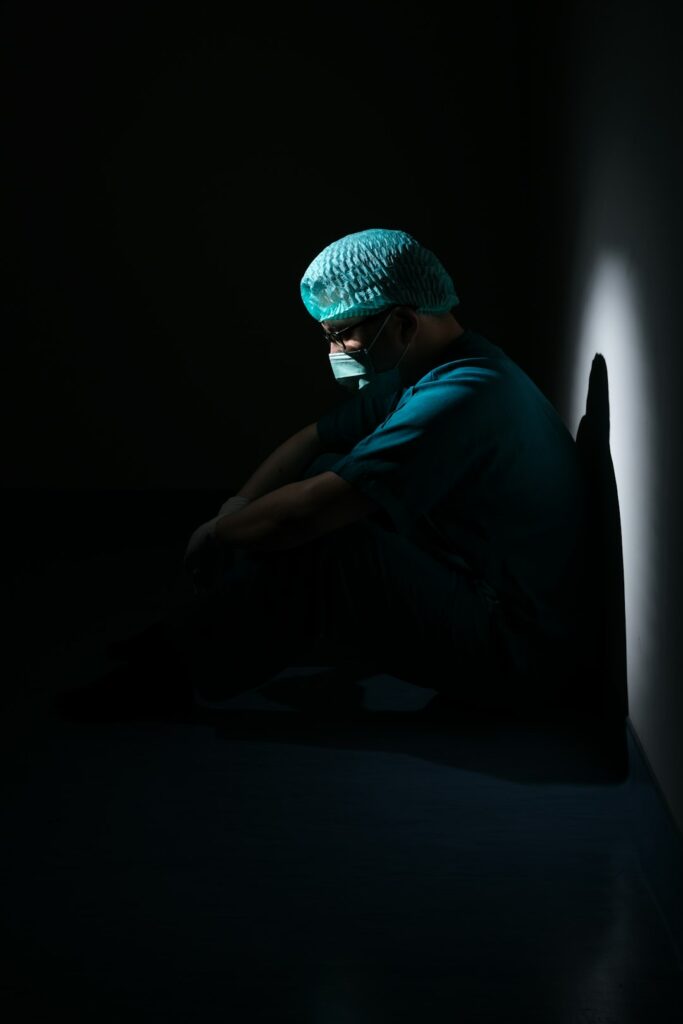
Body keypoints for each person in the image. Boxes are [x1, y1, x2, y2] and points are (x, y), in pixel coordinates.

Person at [60, 227, 596, 721]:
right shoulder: (440, 367)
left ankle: (170, 672)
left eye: (342, 334)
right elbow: (313, 439)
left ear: (404, 322)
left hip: (522, 655)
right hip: (484, 586)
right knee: (325, 471)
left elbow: (307, 515)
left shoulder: (461, 397)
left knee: (327, 543)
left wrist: (217, 534)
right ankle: (180, 641)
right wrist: (236, 508)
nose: (336, 351)